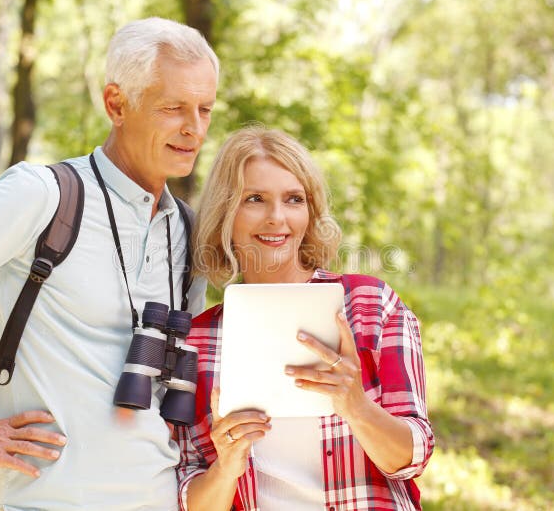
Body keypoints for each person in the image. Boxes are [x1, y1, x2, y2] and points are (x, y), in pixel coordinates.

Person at [0, 17, 217, 510]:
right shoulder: (42, 195)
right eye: (173, 107)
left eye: (204, 109)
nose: (194, 128)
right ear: (116, 103)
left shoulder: (190, 234)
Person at [174, 126, 434, 511]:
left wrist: (355, 405)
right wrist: (226, 466)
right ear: (226, 212)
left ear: (310, 212)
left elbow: (412, 456)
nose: (277, 218)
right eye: (255, 199)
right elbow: (190, 497)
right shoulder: (196, 343)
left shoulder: (371, 306)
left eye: (294, 199)